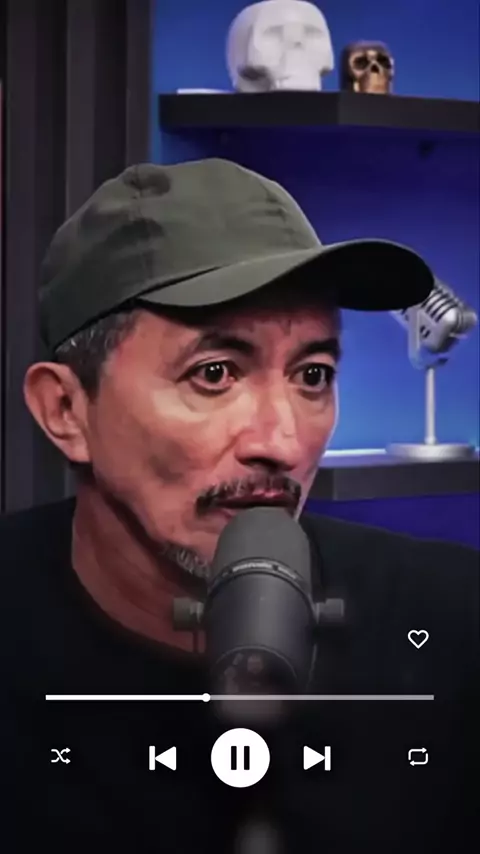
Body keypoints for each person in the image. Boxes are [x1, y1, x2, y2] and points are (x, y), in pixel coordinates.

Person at [1, 159, 478, 854]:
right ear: (67, 410)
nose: (282, 442)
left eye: (312, 375)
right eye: (214, 374)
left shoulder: (457, 623)